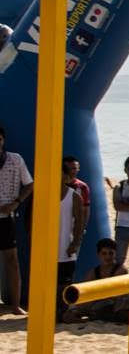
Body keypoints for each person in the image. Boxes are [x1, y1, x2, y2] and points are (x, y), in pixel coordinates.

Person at [0, 124, 33, 314]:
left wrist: (17, 202)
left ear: (3, 140)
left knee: (12, 261)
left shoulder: (15, 159)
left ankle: (15, 305)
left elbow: (29, 185)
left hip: (7, 217)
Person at [67, 238, 129, 323]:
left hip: (115, 304)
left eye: (111, 253)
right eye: (104, 254)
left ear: (115, 254)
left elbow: (115, 295)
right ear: (98, 255)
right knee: (70, 311)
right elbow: (83, 290)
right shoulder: (94, 272)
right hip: (99, 303)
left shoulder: (121, 270)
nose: (107, 257)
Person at [57, 160, 86, 315]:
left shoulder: (73, 196)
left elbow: (80, 223)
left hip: (66, 248)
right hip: (48, 249)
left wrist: (75, 243)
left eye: (60, 173)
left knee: (65, 283)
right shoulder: (44, 194)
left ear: (65, 176)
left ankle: (64, 311)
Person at [63, 155, 91, 228]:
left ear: (78, 169)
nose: (72, 171)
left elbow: (86, 209)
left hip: (73, 226)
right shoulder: (55, 185)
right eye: (68, 169)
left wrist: (82, 227)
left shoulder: (82, 187)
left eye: (74, 168)